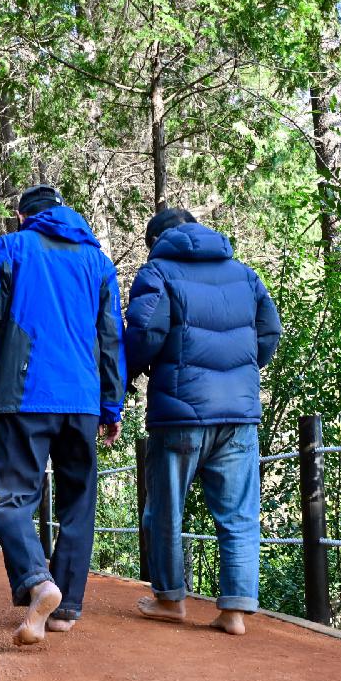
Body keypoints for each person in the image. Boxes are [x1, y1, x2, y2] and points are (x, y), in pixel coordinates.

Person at [0, 184, 126, 645]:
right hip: (83, 403)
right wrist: (112, 405)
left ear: (21, 215)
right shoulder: (98, 262)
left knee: (11, 501)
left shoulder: (10, 248)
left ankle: (39, 581)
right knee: (78, 502)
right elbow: (112, 340)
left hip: (26, 395)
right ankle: (65, 609)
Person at [124, 208, 281, 635]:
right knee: (239, 514)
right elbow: (269, 333)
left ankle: (170, 600)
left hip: (179, 412)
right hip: (239, 412)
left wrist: (125, 378)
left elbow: (144, 333)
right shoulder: (245, 275)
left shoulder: (157, 270)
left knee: (165, 510)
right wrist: (239, 373)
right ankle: (234, 611)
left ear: (157, 239)